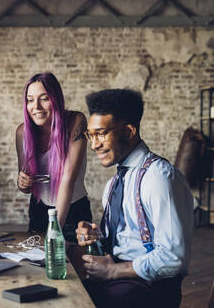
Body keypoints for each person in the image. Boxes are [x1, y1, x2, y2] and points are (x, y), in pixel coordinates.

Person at [76, 89, 193, 308]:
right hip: (121, 281)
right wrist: (96, 236)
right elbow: (129, 240)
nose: (94, 145)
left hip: (150, 290)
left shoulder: (159, 177)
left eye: (101, 133)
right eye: (90, 135)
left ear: (129, 131)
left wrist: (113, 270)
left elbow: (173, 258)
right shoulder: (114, 183)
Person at [15, 72, 91, 243]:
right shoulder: (22, 132)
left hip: (73, 211)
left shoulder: (76, 121)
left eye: (44, 98)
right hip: (39, 210)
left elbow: (67, 180)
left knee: (75, 266)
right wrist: (22, 183)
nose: (36, 106)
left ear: (55, 99)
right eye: (30, 100)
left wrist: (54, 231)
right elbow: (24, 184)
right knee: (38, 265)